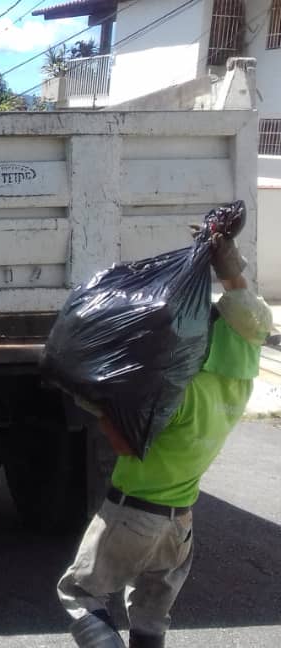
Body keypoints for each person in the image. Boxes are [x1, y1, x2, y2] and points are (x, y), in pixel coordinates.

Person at [56, 232, 275, 648]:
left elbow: (125, 443)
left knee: (81, 594)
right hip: (179, 526)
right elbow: (247, 316)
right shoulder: (237, 388)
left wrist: (99, 403)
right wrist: (227, 265)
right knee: (151, 618)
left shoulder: (182, 396)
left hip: (132, 514)